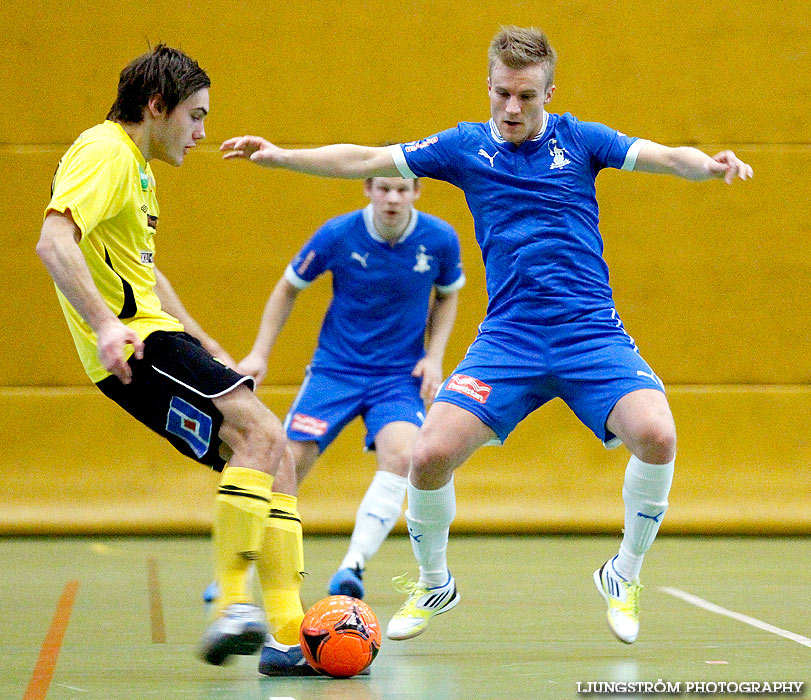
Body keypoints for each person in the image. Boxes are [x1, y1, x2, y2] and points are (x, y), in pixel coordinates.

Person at [219, 25, 753, 645]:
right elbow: (366, 159)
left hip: (590, 335)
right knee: (427, 456)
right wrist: (282, 155)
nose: (512, 109)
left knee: (659, 436)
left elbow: (664, 156)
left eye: (526, 96)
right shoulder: (464, 147)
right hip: (509, 341)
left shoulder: (581, 140)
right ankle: (434, 581)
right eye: (501, 94)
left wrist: (711, 168)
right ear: (489, 88)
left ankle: (623, 572)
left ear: (550, 92)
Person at [36, 45, 310, 675]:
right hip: (134, 346)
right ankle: (234, 609)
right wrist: (105, 325)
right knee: (262, 434)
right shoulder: (106, 152)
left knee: (276, 461)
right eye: (196, 116)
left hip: (157, 334)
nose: (203, 132)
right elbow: (54, 241)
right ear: (156, 107)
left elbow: (143, 269)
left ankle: (290, 637)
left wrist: (205, 340)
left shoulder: (138, 169)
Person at [236, 176, 464, 599]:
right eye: (384, 188)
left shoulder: (440, 239)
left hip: (397, 378)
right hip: (335, 370)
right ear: (368, 189)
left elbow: (448, 295)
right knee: (285, 463)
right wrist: (259, 354)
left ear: (417, 192)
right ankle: (240, 573)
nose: (392, 198)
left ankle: (352, 566)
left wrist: (433, 357)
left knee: (405, 457)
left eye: (401, 189)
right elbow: (288, 287)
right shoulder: (338, 234)